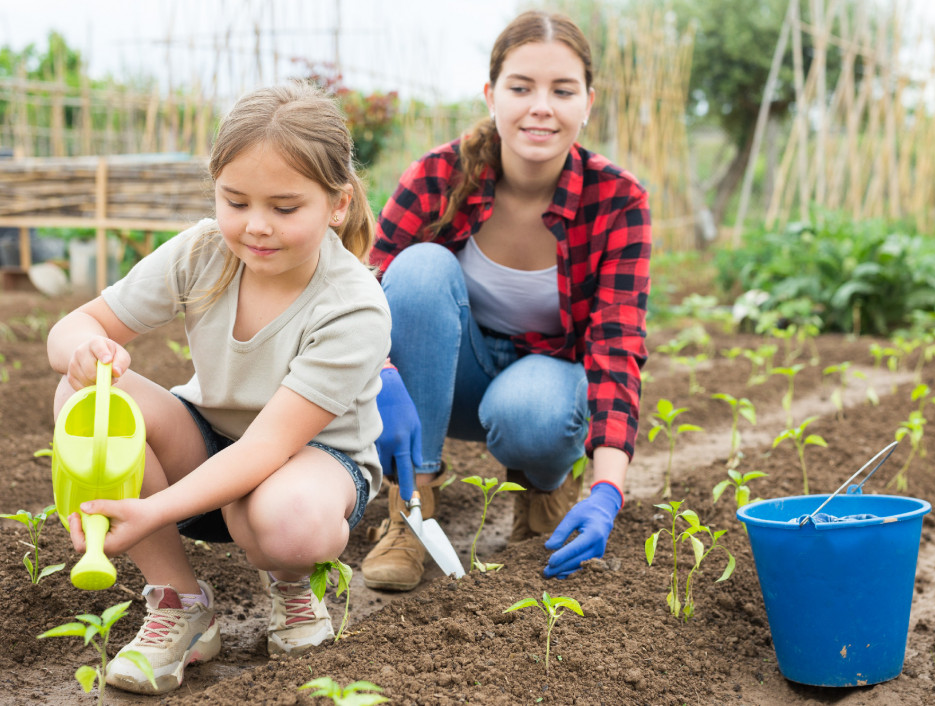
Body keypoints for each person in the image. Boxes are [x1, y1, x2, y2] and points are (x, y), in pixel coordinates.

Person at [46, 81, 390, 695]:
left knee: (286, 519)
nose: (256, 227)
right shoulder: (205, 251)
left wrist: (149, 511)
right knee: (85, 400)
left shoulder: (353, 305)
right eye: (236, 201)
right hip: (207, 450)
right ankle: (180, 607)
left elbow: (266, 450)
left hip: (311, 467)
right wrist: (83, 351)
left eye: (285, 209)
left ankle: (292, 582)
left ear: (337, 205)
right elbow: (77, 323)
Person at [364, 9, 651, 591]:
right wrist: (384, 373)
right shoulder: (439, 176)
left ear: (587, 102)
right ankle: (410, 509)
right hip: (445, 379)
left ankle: (544, 491)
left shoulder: (617, 200)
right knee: (418, 270)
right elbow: (362, 289)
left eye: (562, 90)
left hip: (539, 391)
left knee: (532, 415)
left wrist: (607, 489)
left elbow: (617, 346)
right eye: (521, 88)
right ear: (492, 94)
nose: (540, 106)